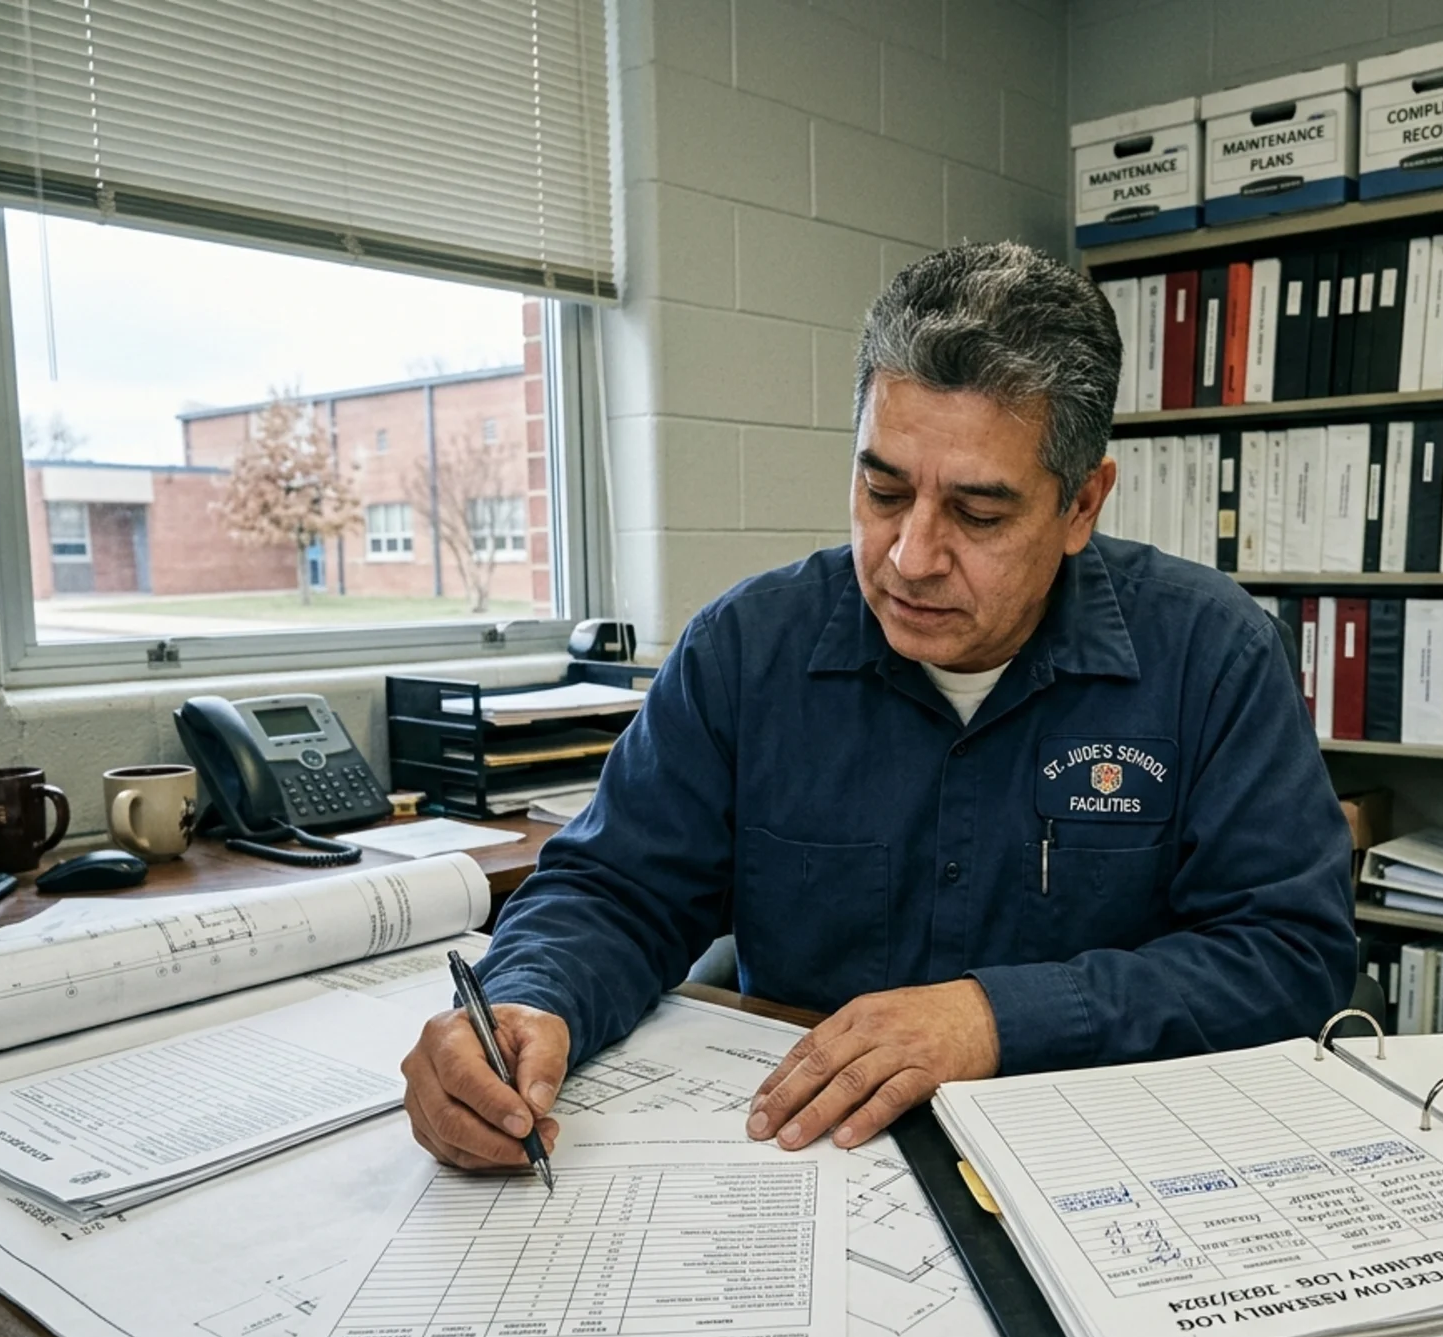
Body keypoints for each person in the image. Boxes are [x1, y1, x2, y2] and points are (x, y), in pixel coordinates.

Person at [400, 241, 1354, 1173]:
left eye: (979, 515)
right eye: (882, 489)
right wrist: (528, 1002)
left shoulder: (1213, 654)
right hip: (810, 1169)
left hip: (1101, 1161)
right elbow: (616, 889)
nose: (911, 557)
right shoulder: (746, 649)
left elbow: (1290, 957)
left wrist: (992, 1016)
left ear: (1082, 505)